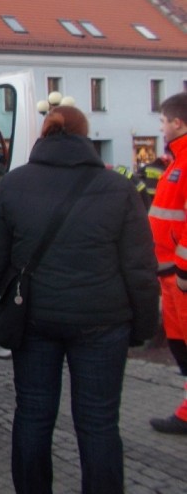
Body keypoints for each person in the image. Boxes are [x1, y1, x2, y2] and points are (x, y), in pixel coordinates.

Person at [0, 106, 158, 494]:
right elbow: (140, 266)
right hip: (103, 324)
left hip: (34, 320)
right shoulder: (118, 188)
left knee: (33, 416)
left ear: (44, 135)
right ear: (85, 136)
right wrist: (142, 326)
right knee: (99, 424)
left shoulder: (14, 184)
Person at [148, 92, 187, 434]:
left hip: (181, 275)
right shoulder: (175, 162)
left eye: (162, 121)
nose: (160, 127)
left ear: (177, 123)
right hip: (170, 274)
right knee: (180, 344)